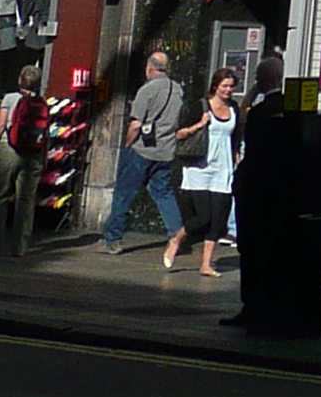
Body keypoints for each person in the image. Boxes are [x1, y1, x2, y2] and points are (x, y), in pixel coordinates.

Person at [222, 58, 290, 332]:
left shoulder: (260, 112)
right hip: (281, 194)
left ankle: (251, 306)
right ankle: (273, 305)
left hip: (256, 191)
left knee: (251, 252)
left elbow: (250, 144)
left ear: (262, 80)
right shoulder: (290, 108)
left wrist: (250, 97)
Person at [102, 46, 185, 254]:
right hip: (165, 151)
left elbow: (135, 125)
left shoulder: (146, 90)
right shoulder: (177, 89)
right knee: (164, 193)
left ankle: (113, 238)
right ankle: (176, 232)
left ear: (150, 68)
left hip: (142, 151)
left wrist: (128, 146)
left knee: (124, 194)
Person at [168, 69, 240, 280]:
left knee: (217, 221)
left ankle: (206, 264)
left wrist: (237, 159)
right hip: (200, 168)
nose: (228, 90)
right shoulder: (200, 106)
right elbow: (179, 134)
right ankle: (177, 239)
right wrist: (198, 125)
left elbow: (235, 138)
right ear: (215, 86)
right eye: (225, 85)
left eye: (231, 86)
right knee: (204, 217)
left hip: (223, 168)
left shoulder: (234, 108)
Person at [0, 64, 46, 258]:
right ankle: (19, 247)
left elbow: (1, 124)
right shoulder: (42, 103)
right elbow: (45, 133)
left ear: (20, 80)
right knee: (25, 201)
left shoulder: (10, 98)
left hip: (8, 150)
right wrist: (44, 156)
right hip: (33, 155)